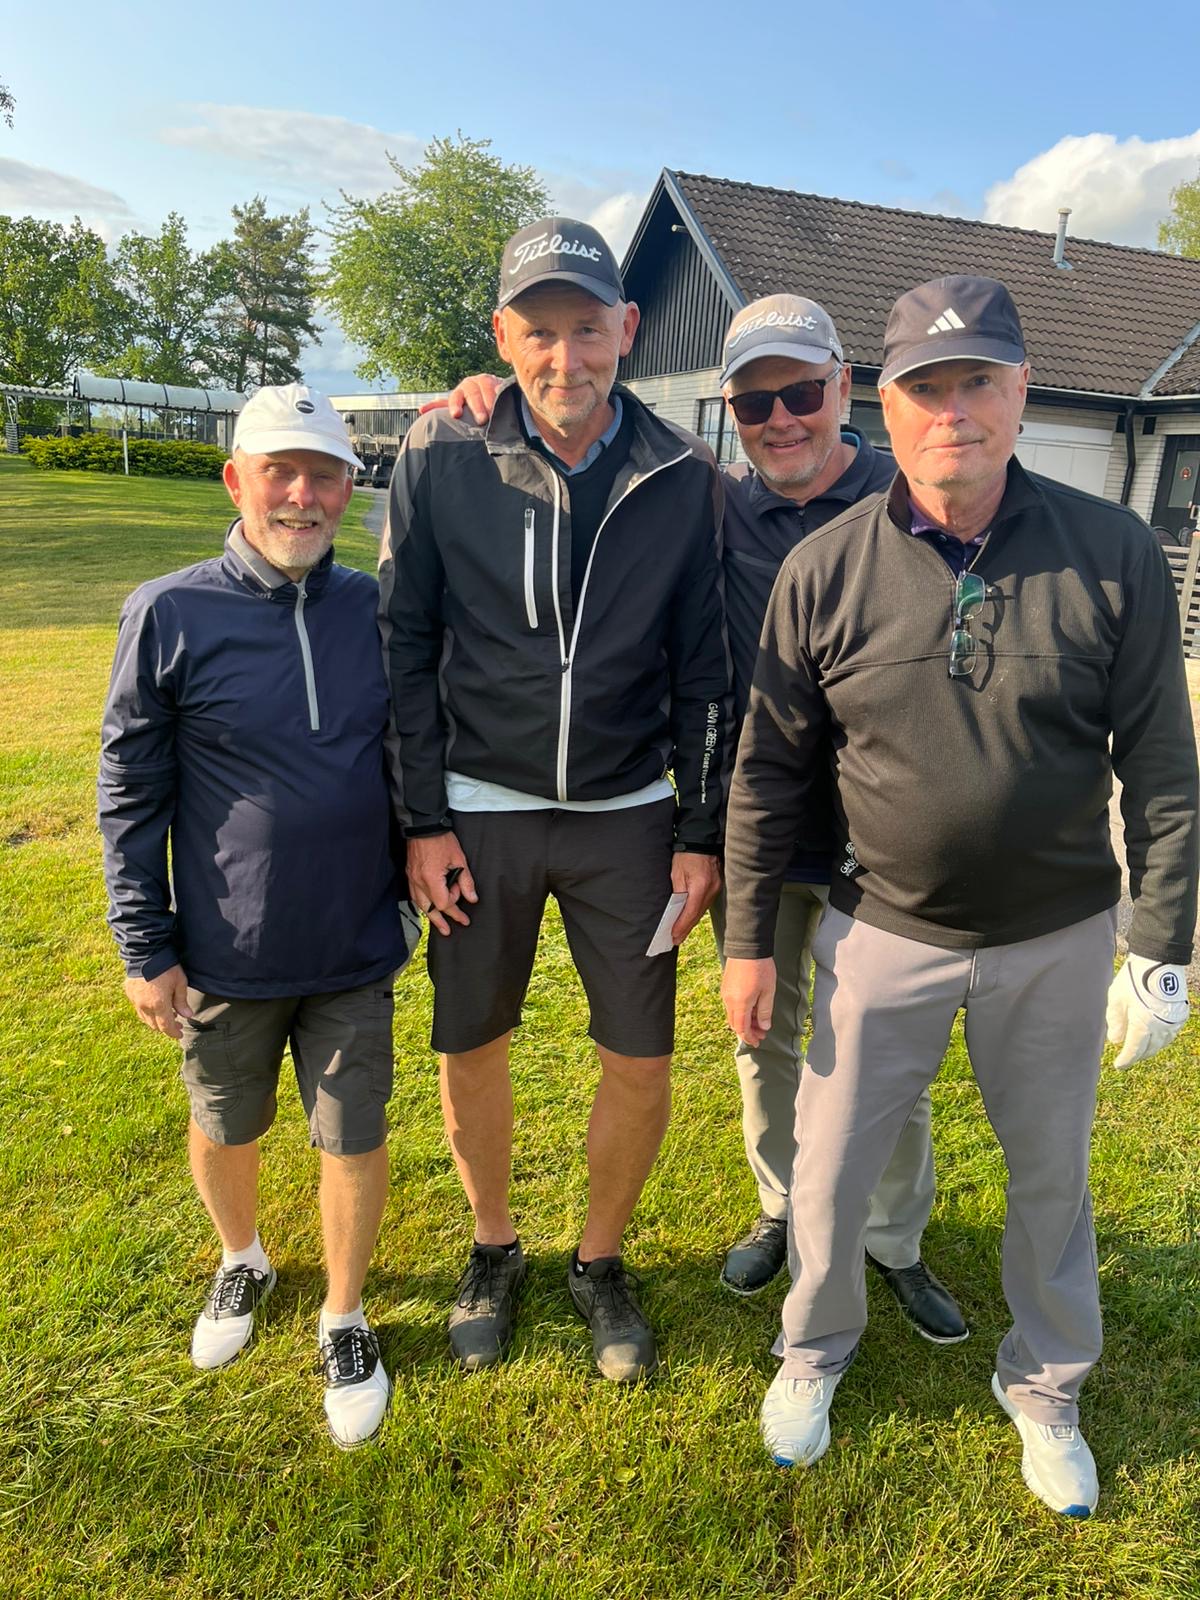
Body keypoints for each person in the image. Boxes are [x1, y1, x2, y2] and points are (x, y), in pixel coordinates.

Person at [721, 275, 1197, 1516]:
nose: (954, 411)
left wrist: (1162, 940)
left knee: (1051, 1180)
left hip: (1056, 934)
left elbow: (1161, 763)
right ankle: (812, 1350)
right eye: (926, 388)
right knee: (830, 1171)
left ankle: (1045, 1384)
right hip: (880, 928)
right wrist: (747, 940)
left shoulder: (1113, 552)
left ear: (1021, 392)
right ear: (884, 405)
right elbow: (766, 772)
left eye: (978, 380)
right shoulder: (824, 568)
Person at [439, 294, 966, 1341]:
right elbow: (594, 431)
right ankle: (780, 1204)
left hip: (884, 839)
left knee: (883, 1049)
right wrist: (490, 398)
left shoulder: (909, 497)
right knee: (763, 1036)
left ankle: (892, 1239)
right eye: (755, 403)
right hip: (757, 829)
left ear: (843, 387)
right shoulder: (714, 500)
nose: (782, 420)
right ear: (732, 413)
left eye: (801, 394)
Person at [379, 216, 730, 1383]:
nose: (564, 357)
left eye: (587, 328)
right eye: (539, 332)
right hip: (479, 809)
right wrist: (423, 820)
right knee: (471, 1038)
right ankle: (493, 1247)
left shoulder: (684, 476)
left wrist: (697, 832)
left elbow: (706, 669)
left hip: (629, 815)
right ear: (502, 336)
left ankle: (600, 1259)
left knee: (641, 1053)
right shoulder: (441, 454)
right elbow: (403, 642)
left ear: (628, 329)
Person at [99, 384, 417, 1449]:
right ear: (236, 480)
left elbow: (409, 753)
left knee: (353, 1132)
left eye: (325, 476)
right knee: (225, 1121)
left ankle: (345, 1313)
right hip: (224, 951)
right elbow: (130, 792)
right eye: (281, 472)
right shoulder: (168, 612)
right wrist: (145, 943)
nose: (302, 496)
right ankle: (242, 1258)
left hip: (355, 941)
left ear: (349, 491)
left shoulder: (373, 607)